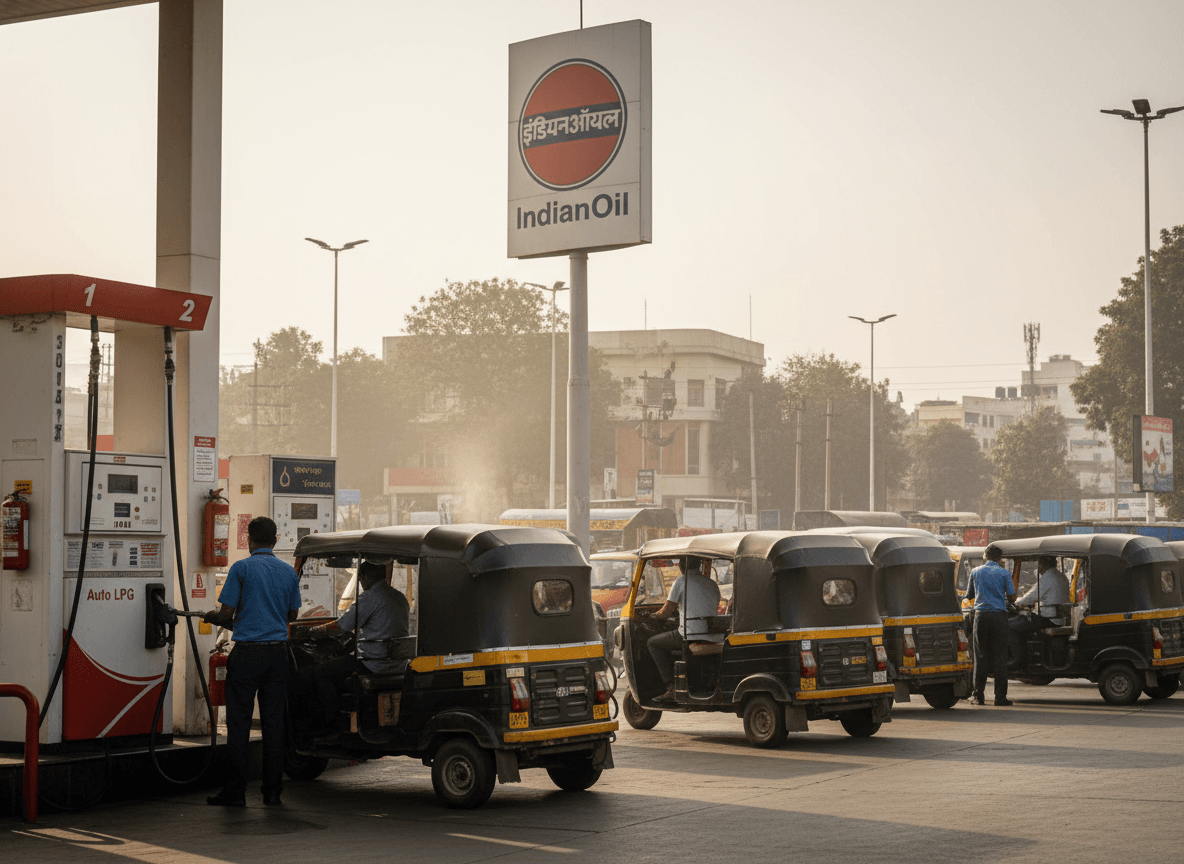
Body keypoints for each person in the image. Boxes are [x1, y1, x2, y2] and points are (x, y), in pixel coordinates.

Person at [202, 516, 302, 807]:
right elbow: (291, 616)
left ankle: (235, 792)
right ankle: (272, 793)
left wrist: (212, 617)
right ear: (275, 540)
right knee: (273, 726)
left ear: (249, 540)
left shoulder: (241, 568)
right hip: (277, 655)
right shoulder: (287, 572)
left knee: (239, 724)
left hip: (246, 655)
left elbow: (224, 615)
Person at [295, 560, 410, 731]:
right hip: (397, 664)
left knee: (319, 674)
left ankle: (333, 726)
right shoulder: (399, 597)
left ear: (364, 577)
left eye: (360, 579)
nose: (361, 584)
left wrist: (312, 631)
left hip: (373, 664)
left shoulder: (370, 598)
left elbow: (339, 627)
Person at [645, 557, 722, 702]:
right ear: (699, 564)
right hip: (713, 635)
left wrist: (649, 616)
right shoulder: (712, 584)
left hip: (690, 634)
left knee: (652, 643)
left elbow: (663, 614)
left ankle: (670, 688)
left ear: (682, 565)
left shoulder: (681, 581)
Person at [964, 544, 1016, 706]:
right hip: (999, 617)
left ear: (985, 556)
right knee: (1000, 657)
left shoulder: (975, 572)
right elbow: (1012, 597)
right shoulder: (1004, 573)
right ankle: (1000, 697)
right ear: (1000, 558)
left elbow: (969, 595)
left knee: (980, 657)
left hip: (981, 617)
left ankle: (978, 696)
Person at [1008, 556, 1071, 661]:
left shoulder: (1048, 578)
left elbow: (1030, 598)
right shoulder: (1061, 576)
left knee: (1007, 625)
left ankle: (1017, 659)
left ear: (1041, 564)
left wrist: (1016, 603)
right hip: (1058, 618)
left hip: (1048, 619)